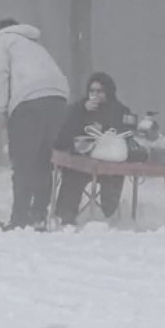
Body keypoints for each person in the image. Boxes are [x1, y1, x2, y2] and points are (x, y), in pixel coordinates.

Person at [0, 18, 69, 229]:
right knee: (42, 160)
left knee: (23, 161)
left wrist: (0, 110)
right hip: (58, 99)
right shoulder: (33, 44)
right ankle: (39, 214)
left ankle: (19, 219)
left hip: (29, 102)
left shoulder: (0, 41)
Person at [53, 72, 135, 226]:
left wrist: (104, 128)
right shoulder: (79, 108)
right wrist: (81, 111)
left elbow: (127, 132)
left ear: (108, 92)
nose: (95, 95)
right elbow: (64, 131)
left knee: (114, 177)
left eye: (100, 91)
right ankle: (67, 216)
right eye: (92, 91)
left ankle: (110, 216)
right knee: (72, 174)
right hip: (82, 158)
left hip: (109, 159)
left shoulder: (120, 110)